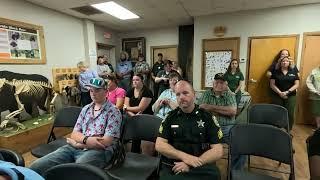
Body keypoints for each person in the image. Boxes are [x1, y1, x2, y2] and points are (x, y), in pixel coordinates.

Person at [30, 77, 122, 176]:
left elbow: (105, 142)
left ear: (106, 91)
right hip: (73, 147)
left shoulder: (113, 111)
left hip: (98, 151)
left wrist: (78, 144)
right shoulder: (86, 109)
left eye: (97, 90)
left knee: (74, 174)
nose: (93, 93)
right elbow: (74, 134)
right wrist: (85, 141)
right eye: (91, 90)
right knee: (37, 166)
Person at [155, 80, 224, 180]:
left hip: (201, 165)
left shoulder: (207, 117)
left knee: (215, 175)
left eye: (185, 93)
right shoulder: (170, 117)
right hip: (174, 165)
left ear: (194, 94)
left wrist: (191, 164)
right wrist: (185, 157)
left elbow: (218, 150)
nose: (181, 97)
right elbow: (159, 145)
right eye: (178, 94)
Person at [198, 73, 245, 170]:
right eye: (217, 82)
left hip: (227, 128)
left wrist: (210, 107)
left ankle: (234, 173)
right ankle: (207, 170)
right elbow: (201, 108)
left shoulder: (230, 94)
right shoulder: (206, 93)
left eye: (222, 82)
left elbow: (232, 111)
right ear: (213, 82)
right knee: (197, 143)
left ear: (226, 84)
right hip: (209, 127)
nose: (219, 84)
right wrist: (224, 110)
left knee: (241, 146)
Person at [123, 74, 154, 155]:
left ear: (142, 81)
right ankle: (133, 154)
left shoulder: (147, 92)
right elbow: (126, 106)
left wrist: (126, 109)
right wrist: (133, 115)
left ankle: (142, 157)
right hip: (133, 117)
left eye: (137, 80)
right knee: (133, 135)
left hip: (146, 117)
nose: (135, 82)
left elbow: (140, 108)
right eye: (133, 80)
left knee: (140, 137)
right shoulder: (130, 91)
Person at [270, 56, 299, 131]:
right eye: (283, 61)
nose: (285, 62)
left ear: (289, 63)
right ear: (280, 63)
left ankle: (288, 130)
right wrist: (280, 93)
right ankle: (277, 129)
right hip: (277, 95)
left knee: (290, 113)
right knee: (277, 112)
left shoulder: (293, 71)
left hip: (290, 95)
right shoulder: (275, 72)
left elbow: (297, 84)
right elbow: (272, 84)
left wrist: (287, 92)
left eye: (286, 61)